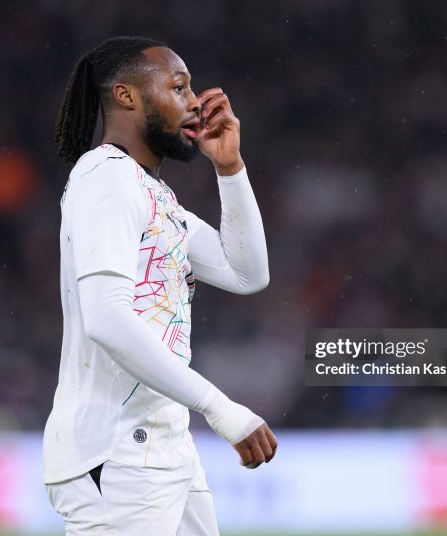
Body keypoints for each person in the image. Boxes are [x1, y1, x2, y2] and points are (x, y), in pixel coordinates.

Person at [43, 36, 278, 534]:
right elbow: (107, 318)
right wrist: (221, 409)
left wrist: (230, 167)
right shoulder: (104, 178)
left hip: (164, 448)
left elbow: (248, 273)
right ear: (126, 96)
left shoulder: (155, 196)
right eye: (178, 86)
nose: (195, 101)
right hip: (117, 452)